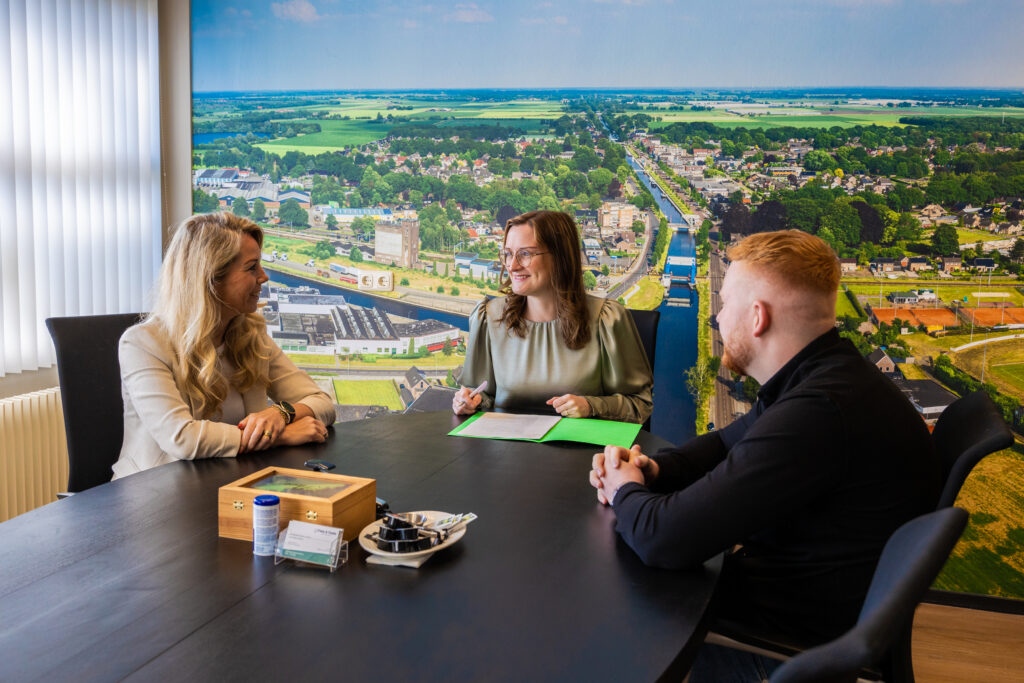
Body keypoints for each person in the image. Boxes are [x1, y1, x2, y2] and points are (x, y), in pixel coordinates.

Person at [589, 230, 941, 681]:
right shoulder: (825, 377)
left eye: (724, 303)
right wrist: (653, 470)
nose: (716, 317)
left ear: (757, 316)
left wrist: (624, 490)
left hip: (776, 645)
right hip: (806, 603)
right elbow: (724, 443)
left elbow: (664, 539)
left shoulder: (818, 414)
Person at [113, 212, 335, 479]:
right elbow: (181, 437)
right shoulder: (142, 344)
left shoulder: (250, 332)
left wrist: (281, 414)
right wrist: (277, 437)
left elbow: (322, 403)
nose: (263, 277)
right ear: (211, 279)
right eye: (252, 267)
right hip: (155, 495)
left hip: (230, 482)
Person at [453, 210, 652, 424]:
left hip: (582, 454)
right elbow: (482, 395)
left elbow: (639, 404)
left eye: (526, 254)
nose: (512, 266)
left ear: (560, 257)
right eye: (508, 253)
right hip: (506, 452)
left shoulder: (607, 320)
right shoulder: (489, 318)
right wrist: (469, 401)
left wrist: (591, 406)